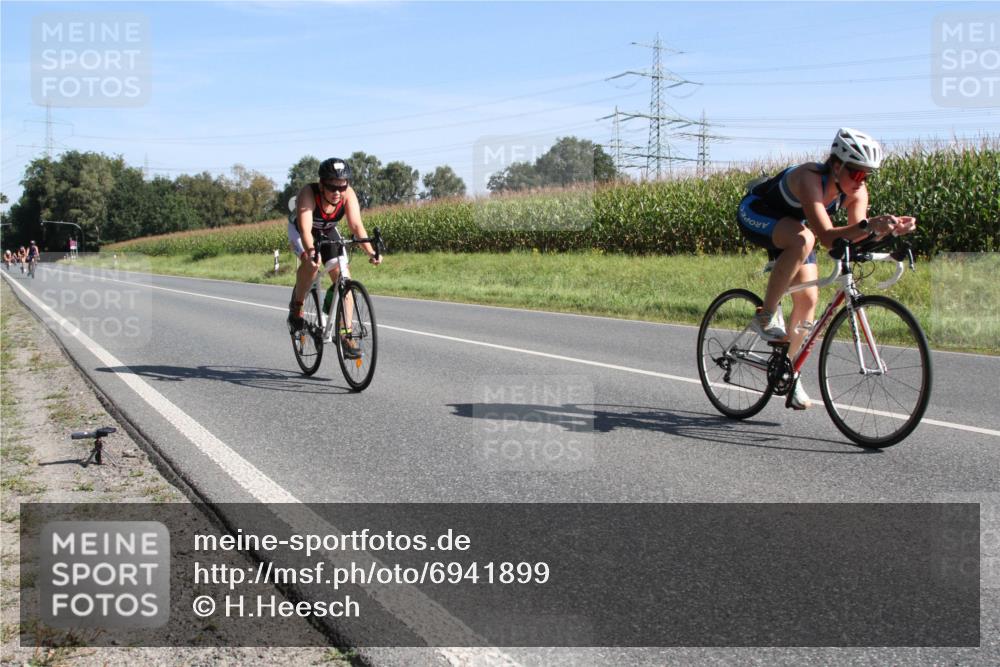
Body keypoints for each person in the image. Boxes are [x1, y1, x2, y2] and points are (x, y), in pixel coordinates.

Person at [736, 128, 917, 410]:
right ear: (836, 165)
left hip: (795, 228)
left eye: (867, 175)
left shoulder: (857, 193)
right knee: (804, 238)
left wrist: (888, 232)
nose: (861, 181)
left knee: (808, 298)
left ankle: (789, 372)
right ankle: (766, 314)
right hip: (758, 213)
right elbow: (826, 235)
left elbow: (853, 236)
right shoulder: (810, 178)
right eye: (857, 173)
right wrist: (870, 226)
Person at [287, 157, 382, 358]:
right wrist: (311, 252)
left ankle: (346, 335)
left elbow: (356, 226)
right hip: (302, 232)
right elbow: (305, 230)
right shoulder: (308, 193)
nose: (337, 193)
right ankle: (297, 306)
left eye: (342, 187)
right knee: (312, 265)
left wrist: (371, 252)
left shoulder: (348, 195)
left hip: (328, 231)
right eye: (332, 187)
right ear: (322, 185)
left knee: (343, 278)